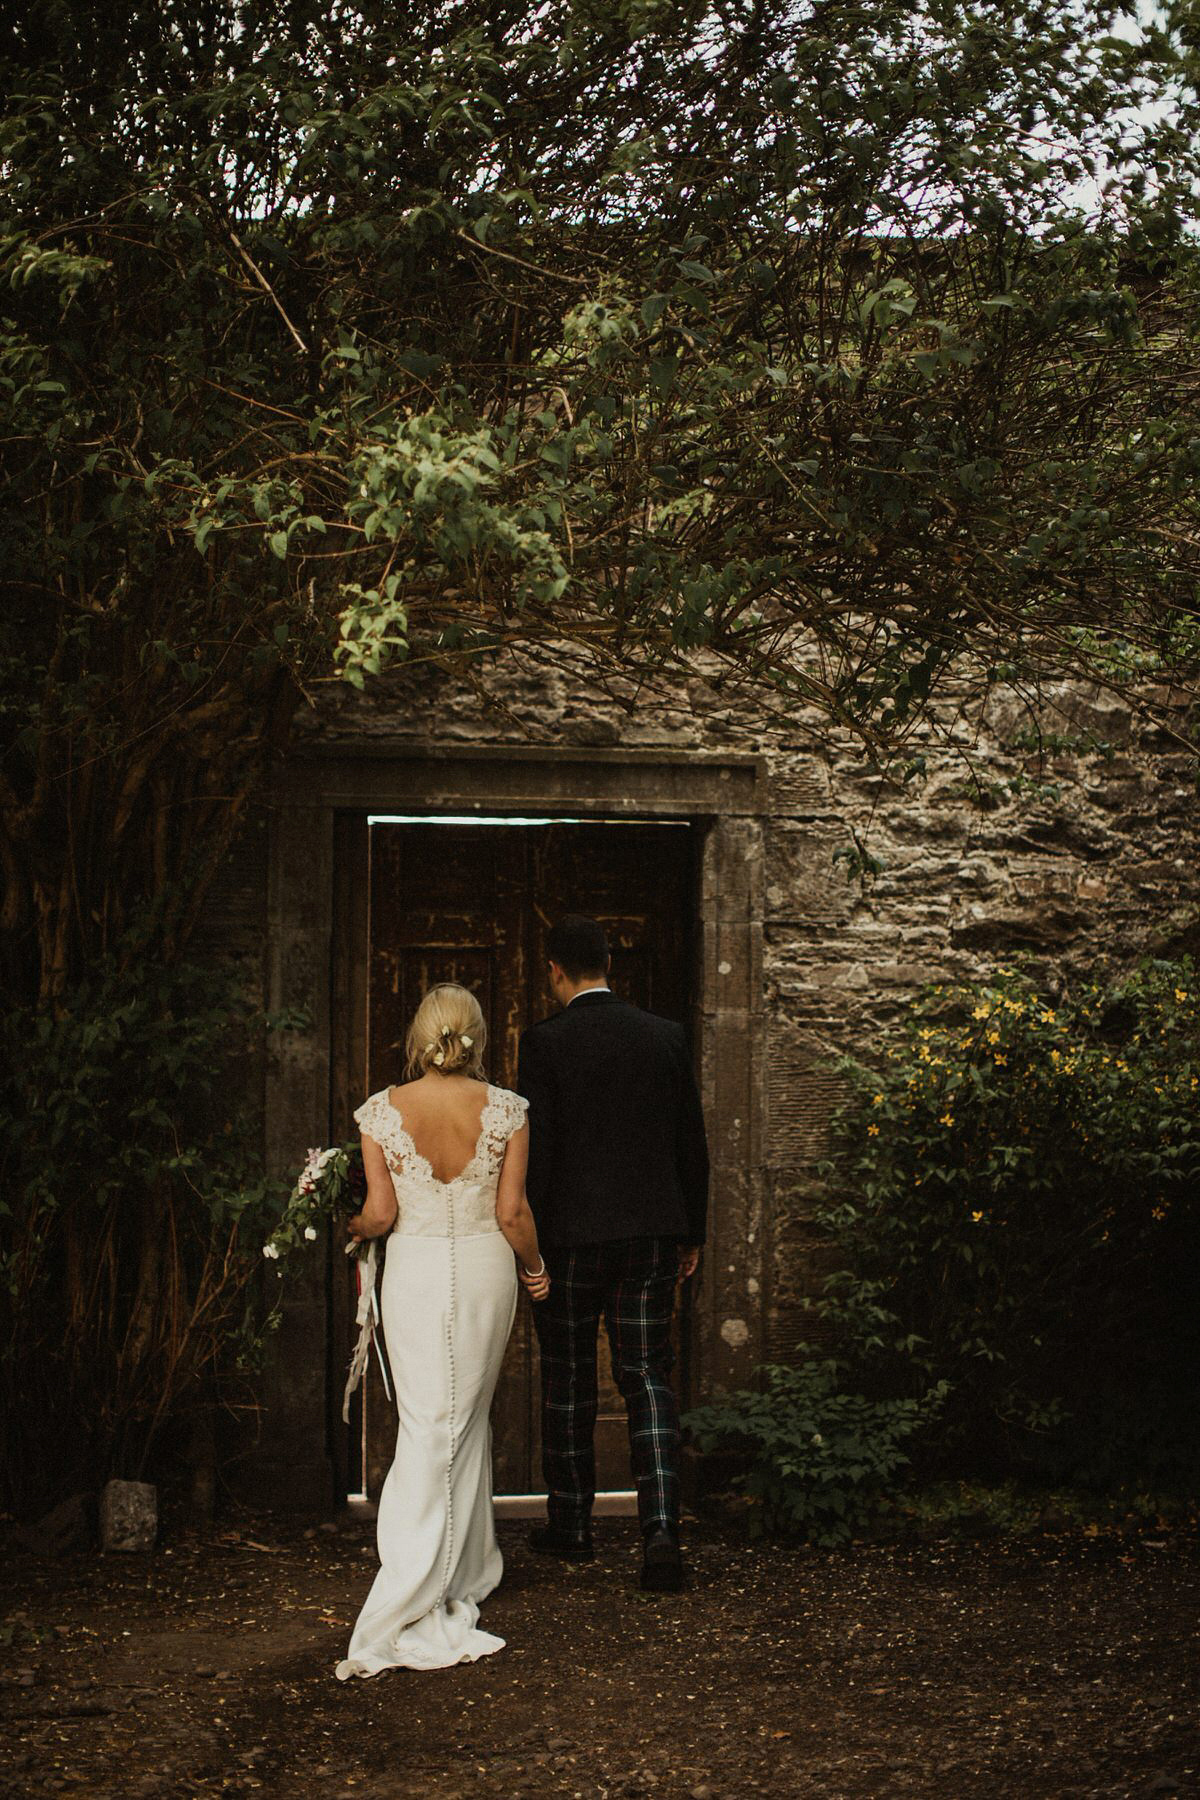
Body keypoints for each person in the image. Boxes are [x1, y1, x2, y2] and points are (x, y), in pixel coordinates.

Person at [334, 982, 548, 1678]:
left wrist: (353, 1230)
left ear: (419, 1036)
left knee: (432, 1419)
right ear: (477, 1036)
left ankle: (450, 1567)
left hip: (418, 1270)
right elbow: (512, 1213)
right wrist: (536, 1268)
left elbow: (382, 1211)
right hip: (486, 1265)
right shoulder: (508, 1111)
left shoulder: (380, 1111)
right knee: (463, 1416)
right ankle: (443, 1575)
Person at [516, 915, 709, 1592]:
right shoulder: (665, 1037)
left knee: (568, 1378)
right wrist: (693, 1232)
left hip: (568, 1239)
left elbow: (535, 1152)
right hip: (652, 1232)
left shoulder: (544, 1043)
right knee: (648, 1377)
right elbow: (692, 1139)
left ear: (556, 972)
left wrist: (526, 1242)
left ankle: (571, 1527)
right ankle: (661, 1530)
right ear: (608, 963)